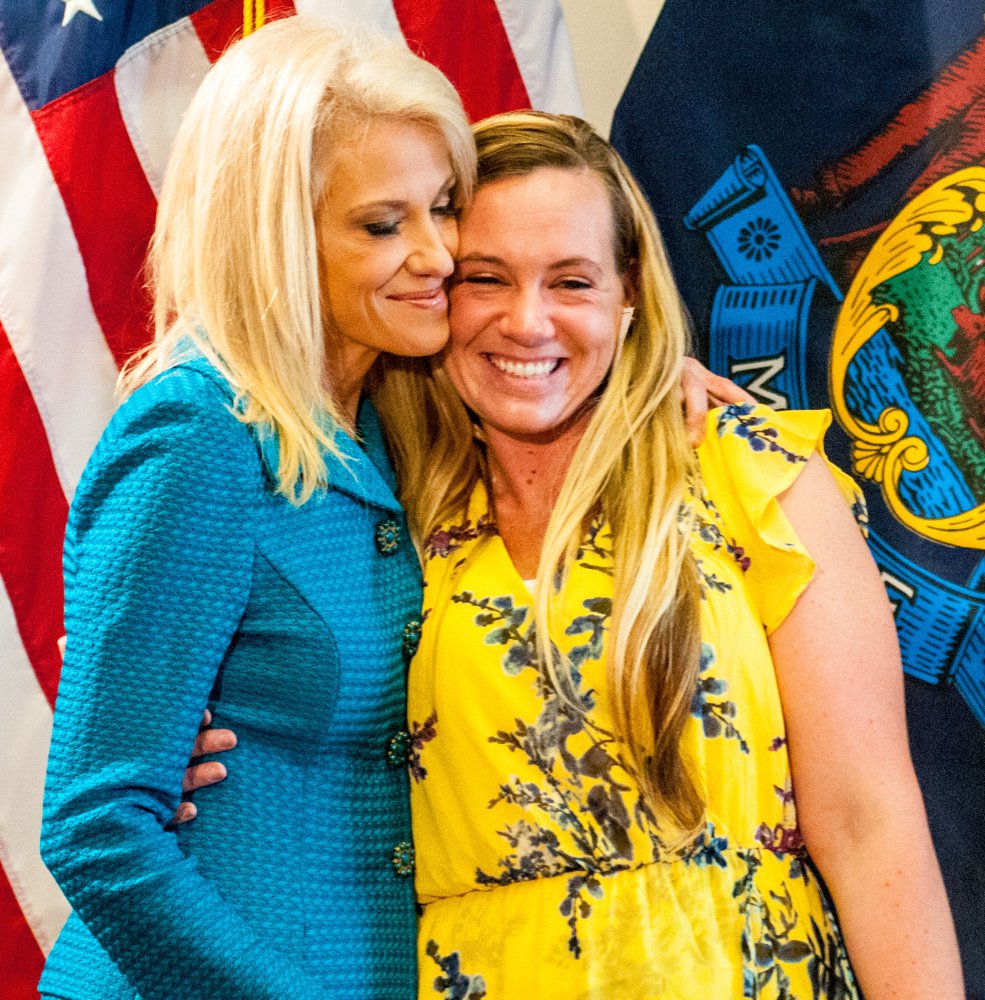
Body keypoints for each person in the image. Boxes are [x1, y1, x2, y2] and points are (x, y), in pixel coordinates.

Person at [190, 110, 963, 997]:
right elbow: (255, 702)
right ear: (436, 286)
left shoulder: (743, 467)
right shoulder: (374, 502)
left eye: (571, 282)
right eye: (487, 278)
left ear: (628, 292)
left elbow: (866, 823)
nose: (528, 322)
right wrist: (174, 747)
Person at [39, 17, 477, 1000]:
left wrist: (658, 382)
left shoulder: (400, 419)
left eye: (443, 207)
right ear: (273, 230)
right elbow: (98, 824)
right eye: (382, 223)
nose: (439, 254)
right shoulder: (196, 435)